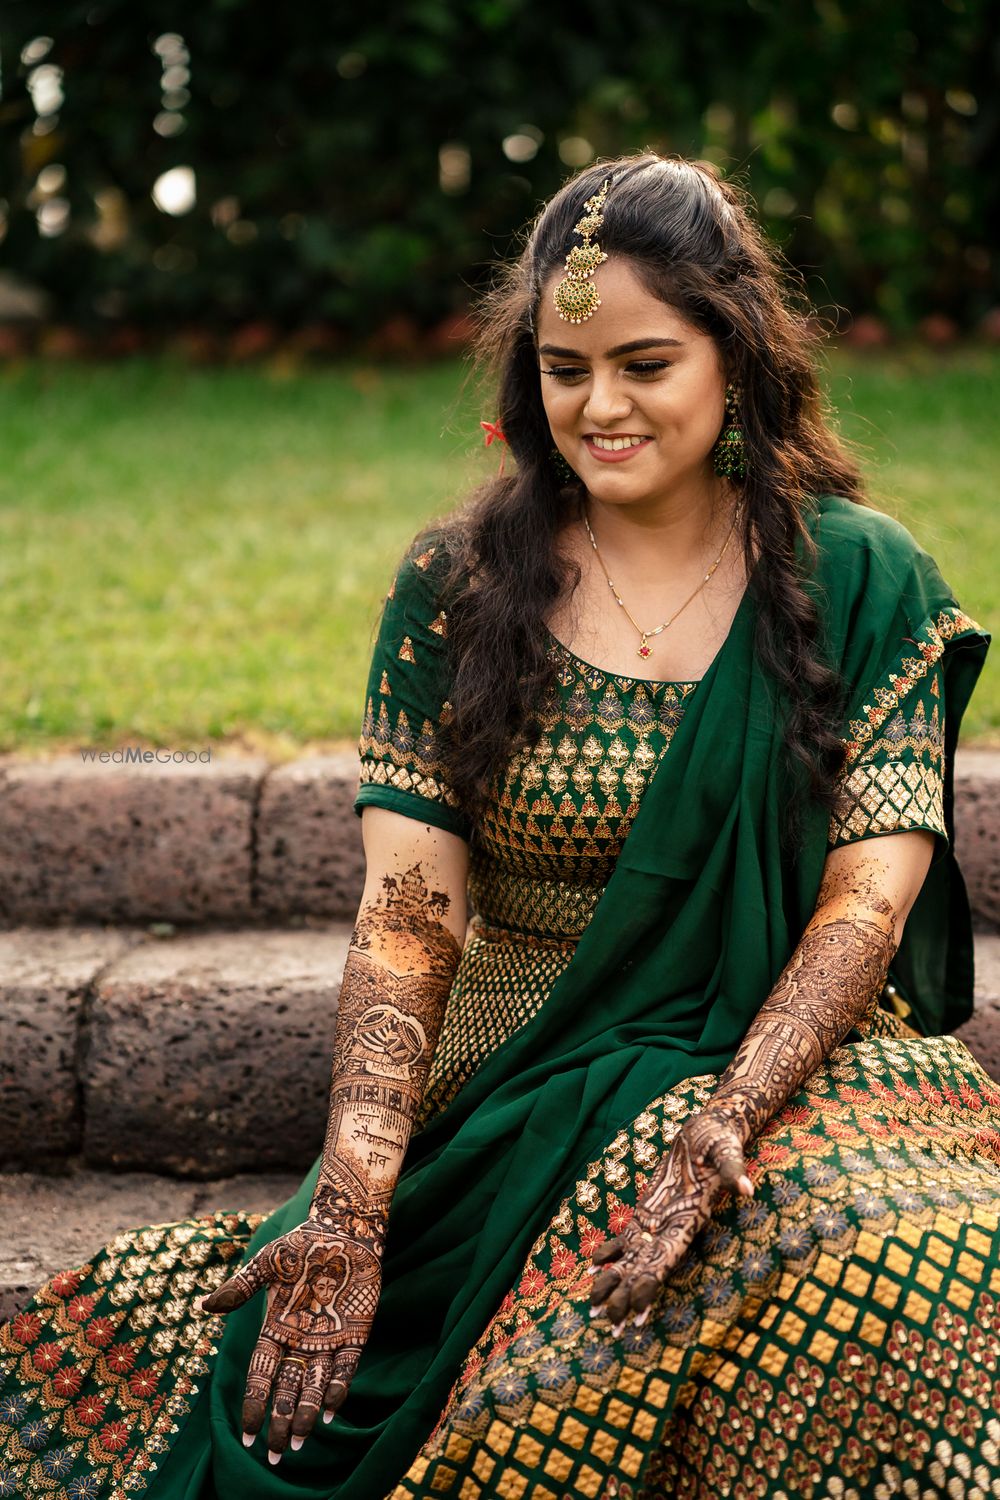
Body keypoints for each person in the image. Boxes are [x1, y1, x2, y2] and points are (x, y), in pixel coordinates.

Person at [1, 152, 997, 1500]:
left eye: (646, 363)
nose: (603, 405)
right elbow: (412, 913)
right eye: (565, 367)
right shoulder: (463, 588)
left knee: (897, 1252)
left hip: (798, 1065)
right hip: (523, 1079)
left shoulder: (859, 574)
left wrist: (731, 1114)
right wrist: (352, 1202)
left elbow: (868, 901)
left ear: (734, 356)